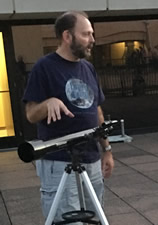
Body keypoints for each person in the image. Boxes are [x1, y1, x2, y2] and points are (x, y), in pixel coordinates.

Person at [22, 11, 114, 224]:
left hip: (91, 159)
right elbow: (30, 114)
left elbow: (96, 111)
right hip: (59, 162)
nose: (92, 40)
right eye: (86, 34)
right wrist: (48, 103)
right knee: (66, 221)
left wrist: (107, 150)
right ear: (67, 36)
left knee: (94, 219)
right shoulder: (44, 68)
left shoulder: (88, 68)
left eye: (92, 34)